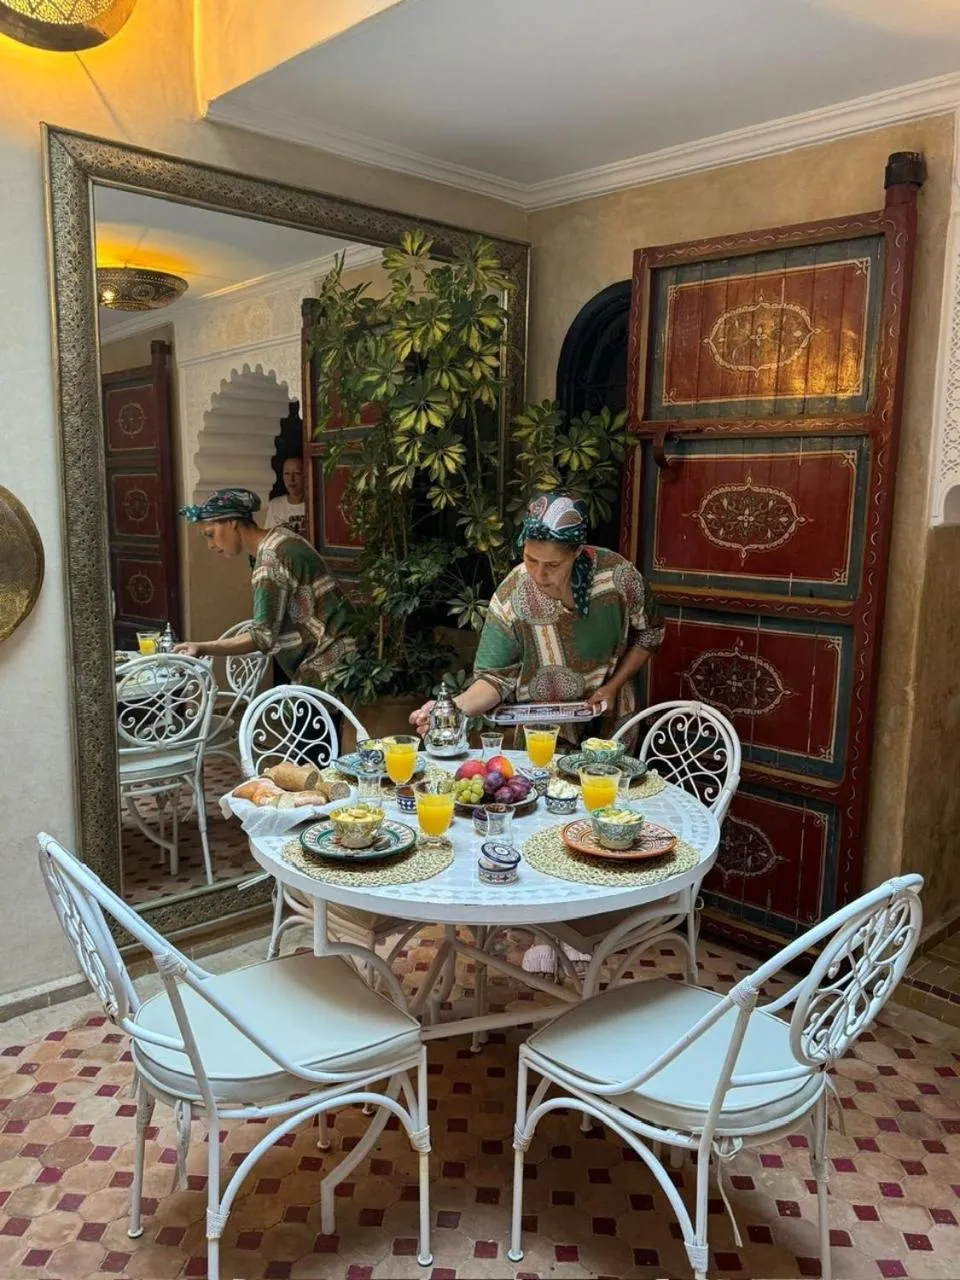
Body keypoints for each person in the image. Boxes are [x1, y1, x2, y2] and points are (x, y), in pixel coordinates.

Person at [411, 493, 665, 743]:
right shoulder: (512, 595)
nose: (539, 575)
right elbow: (495, 678)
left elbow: (651, 632)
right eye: (530, 559)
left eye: (552, 565)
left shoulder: (617, 577)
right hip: (542, 736)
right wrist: (453, 709)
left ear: (576, 552)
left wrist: (615, 686)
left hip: (611, 723)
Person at [174, 487, 351, 686]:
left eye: (210, 534)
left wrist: (202, 647)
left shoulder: (269, 561)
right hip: (345, 649)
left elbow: (263, 637)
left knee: (301, 715)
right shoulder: (283, 536)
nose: (211, 545)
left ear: (232, 522)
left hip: (329, 659)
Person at [264, 455, 306, 536]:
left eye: (297, 473)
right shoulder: (275, 505)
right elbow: (269, 537)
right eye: (287, 473)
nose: (291, 479)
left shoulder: (314, 505)